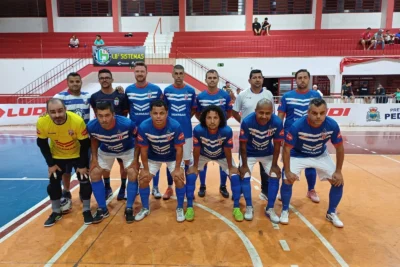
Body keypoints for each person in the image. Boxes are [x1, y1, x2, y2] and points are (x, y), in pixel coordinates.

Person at [55, 72, 125, 210]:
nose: (75, 84)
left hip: (83, 138)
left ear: (81, 82)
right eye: (72, 82)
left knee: (85, 167)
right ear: (67, 83)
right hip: (65, 140)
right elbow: (52, 110)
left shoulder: (88, 97)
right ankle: (66, 191)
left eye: (77, 81)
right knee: (66, 170)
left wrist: (119, 90)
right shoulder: (59, 97)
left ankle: (83, 189)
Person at [281, 98, 345, 228]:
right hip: (298, 155)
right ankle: (285, 210)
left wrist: (338, 171)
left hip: (320, 155)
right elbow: (286, 148)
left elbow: (339, 147)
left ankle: (331, 212)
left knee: (338, 181)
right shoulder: (297, 126)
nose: (318, 116)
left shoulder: (332, 125)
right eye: (314, 113)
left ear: (326, 112)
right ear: (308, 112)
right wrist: (287, 171)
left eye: (322, 113)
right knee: (287, 179)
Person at [36, 98, 92, 226]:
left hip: (77, 154)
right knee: (53, 182)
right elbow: (42, 143)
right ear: (47, 113)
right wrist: (50, 164)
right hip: (57, 156)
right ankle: (56, 212)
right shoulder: (42, 122)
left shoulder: (77, 121)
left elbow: (85, 144)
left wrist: (82, 165)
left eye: (60, 111)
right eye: (53, 112)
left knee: (84, 180)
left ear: (65, 110)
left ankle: (87, 210)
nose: (57, 115)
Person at [187, 105, 242, 221]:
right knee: (191, 176)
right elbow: (196, 149)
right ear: (204, 119)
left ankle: (236, 207)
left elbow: (227, 150)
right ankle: (189, 207)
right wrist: (195, 166)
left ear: (220, 119)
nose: (212, 121)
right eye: (209, 118)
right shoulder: (198, 130)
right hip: (203, 155)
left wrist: (231, 167)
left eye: (215, 118)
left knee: (235, 177)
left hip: (221, 155)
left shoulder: (227, 131)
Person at [87, 101, 139, 224]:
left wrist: (136, 160)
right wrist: (94, 159)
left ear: (113, 114)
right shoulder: (91, 126)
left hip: (127, 150)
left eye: (107, 115)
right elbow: (94, 139)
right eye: (100, 116)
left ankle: (129, 208)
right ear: (96, 115)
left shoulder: (127, 124)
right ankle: (102, 208)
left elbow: (137, 139)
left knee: (132, 172)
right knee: (94, 173)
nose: (104, 119)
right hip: (106, 150)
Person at [136, 100, 186, 222]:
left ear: (167, 113)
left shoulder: (175, 126)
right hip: (153, 157)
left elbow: (179, 149)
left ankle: (179, 208)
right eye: (155, 113)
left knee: (179, 179)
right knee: (143, 179)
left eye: (161, 113)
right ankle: (145, 208)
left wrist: (178, 169)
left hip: (173, 157)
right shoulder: (144, 127)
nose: (158, 116)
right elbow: (143, 150)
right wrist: (146, 170)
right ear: (150, 113)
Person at [278, 69, 322, 203]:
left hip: (310, 136)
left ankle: (311, 190)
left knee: (310, 164)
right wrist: (279, 135)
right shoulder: (287, 96)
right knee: (287, 164)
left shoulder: (316, 96)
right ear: (295, 80)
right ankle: (283, 189)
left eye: (304, 77)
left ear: (309, 79)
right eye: (299, 78)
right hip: (290, 136)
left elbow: (320, 115)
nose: (302, 80)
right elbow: (280, 117)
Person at [239, 99, 284, 223]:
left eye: (267, 113)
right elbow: (242, 145)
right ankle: (249, 206)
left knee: (275, 175)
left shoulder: (277, 122)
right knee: (245, 175)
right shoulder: (247, 121)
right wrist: (243, 165)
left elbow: (277, 145)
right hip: (249, 154)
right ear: (255, 111)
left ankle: (270, 208)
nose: (264, 116)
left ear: (272, 112)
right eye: (261, 113)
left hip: (267, 153)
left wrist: (274, 165)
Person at [232, 69, 274, 200]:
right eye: (254, 77)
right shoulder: (242, 95)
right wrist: (244, 123)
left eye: (259, 77)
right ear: (249, 80)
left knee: (265, 165)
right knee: (243, 164)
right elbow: (234, 112)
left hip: (265, 136)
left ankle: (265, 192)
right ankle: (241, 191)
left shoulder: (268, 94)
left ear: (262, 79)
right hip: (247, 137)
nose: (257, 79)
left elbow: (271, 113)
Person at [124, 62, 164, 199]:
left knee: (154, 159)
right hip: (135, 132)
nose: (140, 74)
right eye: (137, 71)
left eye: (142, 71)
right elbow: (126, 109)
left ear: (146, 73)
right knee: (134, 160)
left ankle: (156, 188)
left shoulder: (156, 90)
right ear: (134, 73)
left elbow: (161, 110)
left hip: (152, 132)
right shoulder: (128, 90)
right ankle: (134, 187)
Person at [90, 69, 130, 201]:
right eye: (102, 78)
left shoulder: (121, 95)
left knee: (123, 164)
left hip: (119, 134)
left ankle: (123, 188)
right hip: (103, 135)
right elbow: (97, 115)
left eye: (107, 77)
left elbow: (125, 112)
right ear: (99, 80)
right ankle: (107, 187)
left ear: (112, 79)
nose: (104, 80)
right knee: (105, 164)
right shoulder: (94, 97)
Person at [196, 69, 233, 198]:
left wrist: (220, 124)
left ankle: (223, 186)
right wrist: (206, 124)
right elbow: (197, 113)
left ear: (218, 80)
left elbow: (228, 113)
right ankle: (202, 185)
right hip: (205, 132)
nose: (212, 80)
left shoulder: (225, 96)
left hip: (221, 133)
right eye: (209, 77)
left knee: (222, 158)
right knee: (203, 157)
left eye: (214, 77)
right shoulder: (200, 97)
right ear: (205, 80)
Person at [163, 65, 197, 200]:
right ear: (172, 74)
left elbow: (193, 110)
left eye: (181, 73)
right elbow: (164, 109)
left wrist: (185, 118)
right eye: (176, 73)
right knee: (170, 160)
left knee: (187, 161)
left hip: (187, 132)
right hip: (170, 132)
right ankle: (170, 187)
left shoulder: (190, 91)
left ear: (184, 75)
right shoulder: (167, 91)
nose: (178, 76)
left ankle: (189, 188)